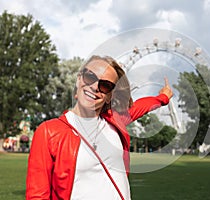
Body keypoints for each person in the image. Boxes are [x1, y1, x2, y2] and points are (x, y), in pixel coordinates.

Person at [26, 55, 173, 200]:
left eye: (105, 85)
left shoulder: (114, 121)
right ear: (79, 80)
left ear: (109, 96)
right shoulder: (49, 132)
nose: (95, 87)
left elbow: (140, 107)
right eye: (90, 77)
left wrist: (163, 98)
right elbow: (37, 196)